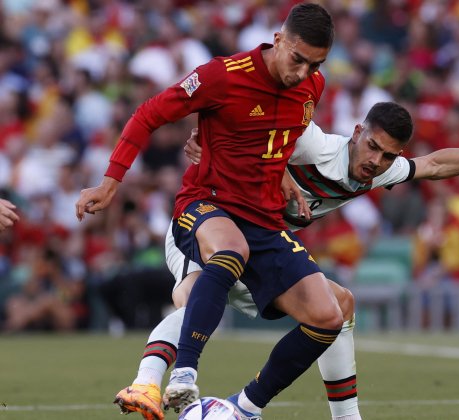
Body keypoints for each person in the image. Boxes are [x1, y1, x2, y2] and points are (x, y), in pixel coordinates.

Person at [179, 102, 459, 411]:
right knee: (188, 304)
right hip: (210, 227)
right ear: (358, 132)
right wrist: (205, 139)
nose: (376, 162)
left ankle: (332, 415)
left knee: (340, 307)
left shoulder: (381, 171)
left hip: (262, 248)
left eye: (387, 156)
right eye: (373, 148)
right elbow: (252, 126)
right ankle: (185, 389)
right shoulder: (314, 146)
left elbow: (436, 164)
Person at [76, 3, 339, 419]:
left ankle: (246, 408)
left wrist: (285, 178)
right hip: (207, 203)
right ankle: (183, 375)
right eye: (298, 59)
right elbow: (149, 113)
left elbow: (277, 139)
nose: (303, 73)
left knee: (328, 316)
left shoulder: (312, 85)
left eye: (316, 64)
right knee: (231, 251)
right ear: (278, 40)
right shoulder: (223, 75)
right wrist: (111, 182)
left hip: (265, 220)